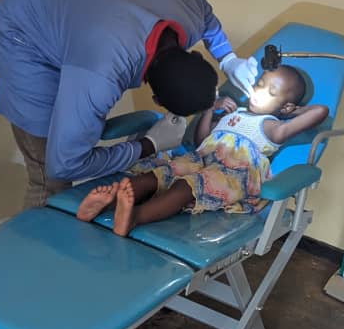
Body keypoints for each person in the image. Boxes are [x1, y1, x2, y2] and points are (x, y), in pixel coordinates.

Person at [0, 0, 260, 208]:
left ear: (196, 56)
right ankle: (32, 265)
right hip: (20, 33)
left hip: (69, 12)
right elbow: (63, 164)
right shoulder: (101, 74)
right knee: (49, 178)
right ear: (155, 98)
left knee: (71, 143)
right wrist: (149, 145)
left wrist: (228, 59)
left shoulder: (188, 15)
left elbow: (204, 9)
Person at [76, 65, 328, 236]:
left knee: (188, 186)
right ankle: (108, 203)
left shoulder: (273, 127)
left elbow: (320, 112)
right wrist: (210, 108)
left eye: (271, 92)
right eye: (260, 84)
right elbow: (202, 139)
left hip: (231, 172)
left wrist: (290, 112)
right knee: (164, 171)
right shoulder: (234, 114)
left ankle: (135, 217)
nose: (259, 91)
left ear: (285, 107)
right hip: (201, 158)